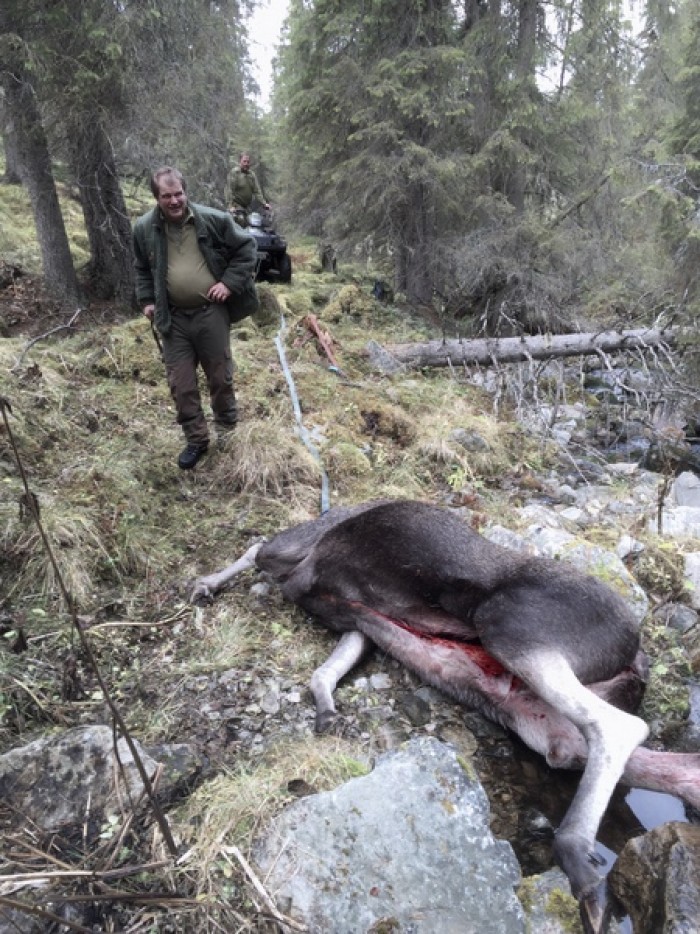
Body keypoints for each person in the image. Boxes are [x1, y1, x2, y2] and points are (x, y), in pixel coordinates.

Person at [133, 166, 257, 469]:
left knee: (220, 377)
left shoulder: (213, 219)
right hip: (172, 319)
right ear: (157, 198)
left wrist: (228, 283)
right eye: (167, 196)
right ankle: (197, 441)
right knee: (182, 385)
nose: (174, 201)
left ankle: (227, 433)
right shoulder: (143, 228)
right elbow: (141, 268)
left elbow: (247, 247)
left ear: (185, 192)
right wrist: (147, 300)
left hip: (210, 313)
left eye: (179, 194)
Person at [227, 152, 270, 218]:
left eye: (248, 162)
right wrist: (231, 206)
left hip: (246, 207)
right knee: (240, 220)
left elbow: (257, 191)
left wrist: (264, 203)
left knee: (249, 224)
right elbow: (230, 190)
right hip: (236, 206)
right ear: (240, 162)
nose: (246, 164)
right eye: (244, 161)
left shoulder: (251, 175)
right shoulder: (235, 173)